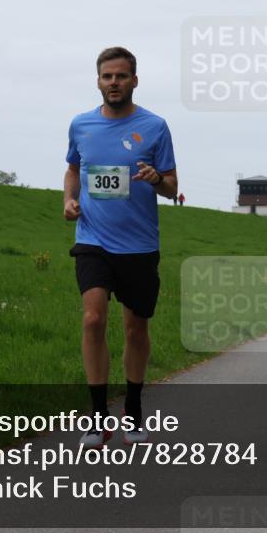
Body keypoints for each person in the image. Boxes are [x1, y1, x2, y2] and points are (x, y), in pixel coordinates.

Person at [63, 46, 178, 448]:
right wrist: (69, 200)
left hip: (139, 246)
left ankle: (133, 410)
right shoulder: (81, 125)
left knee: (135, 329)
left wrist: (155, 179)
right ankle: (97, 418)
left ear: (134, 80)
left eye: (121, 76)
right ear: (98, 81)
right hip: (92, 239)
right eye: (107, 76)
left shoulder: (155, 126)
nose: (114, 82)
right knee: (92, 319)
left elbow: (172, 187)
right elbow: (73, 169)